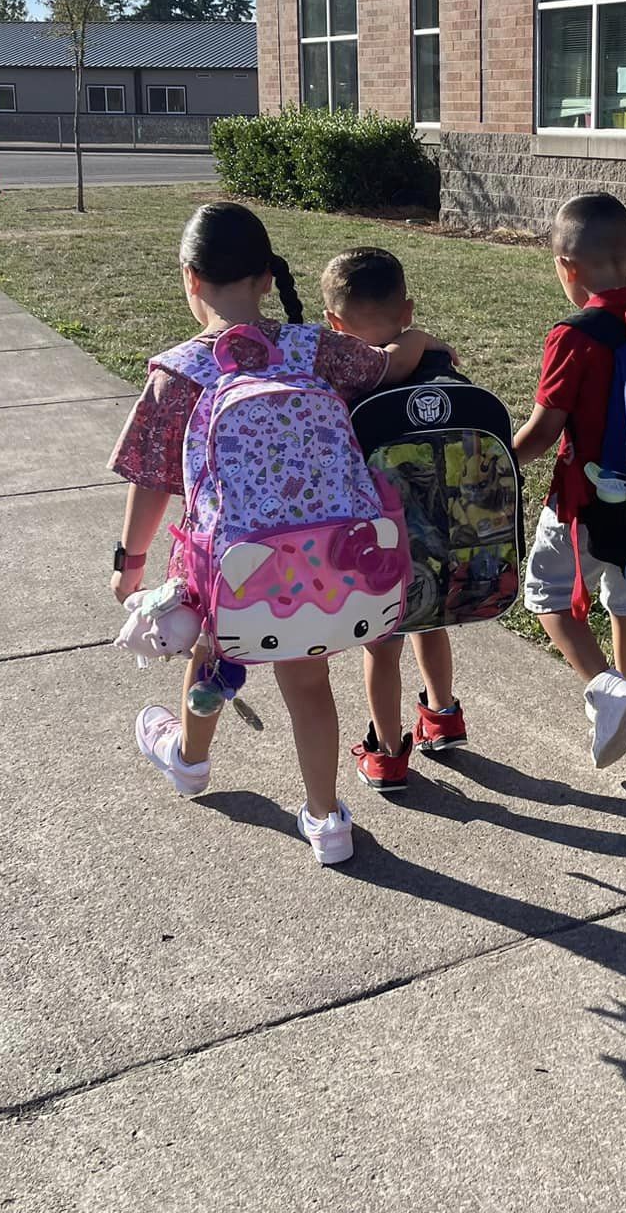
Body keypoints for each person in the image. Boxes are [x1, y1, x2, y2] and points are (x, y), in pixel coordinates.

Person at [107, 203, 454, 865]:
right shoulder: (313, 348)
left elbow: (150, 481)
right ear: (267, 279)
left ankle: (189, 759)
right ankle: (328, 823)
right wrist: (420, 344)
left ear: (189, 279)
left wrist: (131, 562)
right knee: (308, 685)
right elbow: (388, 366)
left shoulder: (177, 371)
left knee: (213, 658)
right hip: (319, 567)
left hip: (230, 566)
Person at [511, 192, 626, 768]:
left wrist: (497, 460)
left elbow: (543, 433)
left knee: (546, 595)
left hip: (585, 499)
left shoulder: (575, 334)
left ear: (565, 267)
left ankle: (607, 690)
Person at [319, 247, 470, 794]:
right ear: (407, 309)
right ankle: (444, 714)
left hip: (377, 549)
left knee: (381, 648)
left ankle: (385, 754)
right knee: (430, 624)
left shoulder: (345, 384)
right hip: (443, 536)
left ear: (334, 324)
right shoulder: (439, 367)